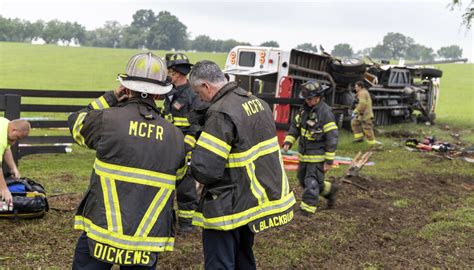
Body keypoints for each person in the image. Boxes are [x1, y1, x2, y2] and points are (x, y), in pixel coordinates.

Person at [68, 52, 186, 269]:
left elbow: (75, 124)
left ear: (127, 88)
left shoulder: (107, 120)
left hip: (102, 231)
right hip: (146, 238)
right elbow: (178, 176)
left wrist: (111, 97)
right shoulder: (176, 137)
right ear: (159, 95)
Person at [189, 60, 296, 269]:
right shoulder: (256, 102)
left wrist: (190, 161)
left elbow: (206, 170)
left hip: (227, 204)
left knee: (220, 262)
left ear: (206, 86)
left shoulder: (220, 113)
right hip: (251, 201)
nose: (199, 99)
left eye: (198, 93)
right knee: (243, 257)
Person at [282, 81, 338, 216]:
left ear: (318, 97)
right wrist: (288, 142)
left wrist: (329, 160)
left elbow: (332, 137)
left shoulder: (325, 113)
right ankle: (330, 190)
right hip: (304, 156)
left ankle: (307, 211)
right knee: (303, 179)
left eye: (310, 99)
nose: (307, 101)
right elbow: (295, 127)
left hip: (317, 157)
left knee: (311, 183)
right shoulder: (304, 111)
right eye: (306, 99)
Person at [163, 53, 204, 233]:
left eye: (169, 71)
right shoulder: (169, 93)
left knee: (186, 188)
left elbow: (198, 122)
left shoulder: (192, 96)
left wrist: (189, 141)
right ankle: (168, 222)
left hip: (186, 149)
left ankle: (187, 225)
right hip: (168, 147)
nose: (166, 74)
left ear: (177, 73)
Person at [0, 118, 30, 205]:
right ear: (14, 130)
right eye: (17, 137)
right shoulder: (1, 136)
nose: (15, 142)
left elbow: (6, 148)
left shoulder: (6, 124)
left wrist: (13, 168)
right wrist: (4, 189)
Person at [351, 81, 379, 146]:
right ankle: (359, 139)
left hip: (366, 114)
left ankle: (372, 144)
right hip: (361, 114)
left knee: (367, 128)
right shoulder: (362, 92)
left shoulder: (363, 93)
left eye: (356, 87)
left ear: (360, 87)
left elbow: (362, 105)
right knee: (354, 123)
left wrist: (355, 111)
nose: (355, 88)